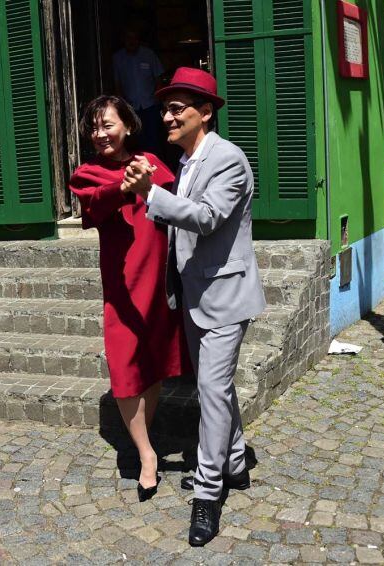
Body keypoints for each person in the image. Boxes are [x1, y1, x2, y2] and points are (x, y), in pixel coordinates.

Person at [122, 68, 266, 547]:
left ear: (205, 113)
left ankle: (208, 493)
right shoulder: (186, 161)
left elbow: (206, 219)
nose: (166, 116)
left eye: (176, 108)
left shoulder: (228, 159)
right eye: (164, 108)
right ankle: (238, 462)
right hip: (195, 294)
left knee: (210, 391)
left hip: (225, 296)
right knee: (217, 388)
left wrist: (150, 194)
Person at [69, 95, 188, 501]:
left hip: (160, 281)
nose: (100, 134)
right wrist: (126, 187)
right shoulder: (87, 173)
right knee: (123, 373)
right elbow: (96, 203)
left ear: (129, 126)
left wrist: (149, 183)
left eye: (108, 125)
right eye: (94, 127)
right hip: (122, 288)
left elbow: (180, 201)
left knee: (152, 365)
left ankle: (144, 435)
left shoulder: (152, 160)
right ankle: (145, 452)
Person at [113, 27, 165, 156]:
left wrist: (157, 99)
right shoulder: (117, 58)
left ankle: (155, 167)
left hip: (150, 105)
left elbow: (159, 77)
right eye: (128, 38)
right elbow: (117, 83)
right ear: (123, 40)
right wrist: (122, 105)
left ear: (138, 40)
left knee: (153, 139)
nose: (131, 41)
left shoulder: (148, 54)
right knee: (135, 139)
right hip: (130, 107)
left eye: (134, 38)